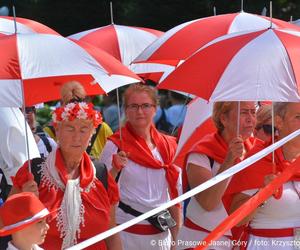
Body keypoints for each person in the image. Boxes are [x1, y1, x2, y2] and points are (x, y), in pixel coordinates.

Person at [11, 81, 121, 250]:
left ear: (92, 134)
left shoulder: (101, 175)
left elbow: (111, 232)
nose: (77, 137)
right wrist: (24, 203)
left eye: (83, 129)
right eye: (70, 128)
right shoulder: (33, 173)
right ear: (57, 131)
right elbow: (6, 224)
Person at [100, 83, 182, 250]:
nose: (139, 111)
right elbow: (101, 194)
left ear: (155, 108)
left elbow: (175, 198)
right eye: (134, 106)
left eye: (145, 106)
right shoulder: (114, 145)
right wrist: (114, 169)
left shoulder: (169, 146)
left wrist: (176, 241)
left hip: (162, 238)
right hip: (126, 238)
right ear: (125, 110)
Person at [177, 101, 257, 250]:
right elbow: (208, 203)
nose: (250, 118)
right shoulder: (201, 153)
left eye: (253, 112)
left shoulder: (257, 151)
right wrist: (229, 161)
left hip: (239, 241)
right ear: (223, 119)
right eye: (244, 112)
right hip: (202, 241)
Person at [226, 102, 300, 250]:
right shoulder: (260, 158)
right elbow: (236, 218)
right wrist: (262, 195)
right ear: (279, 122)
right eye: (298, 117)